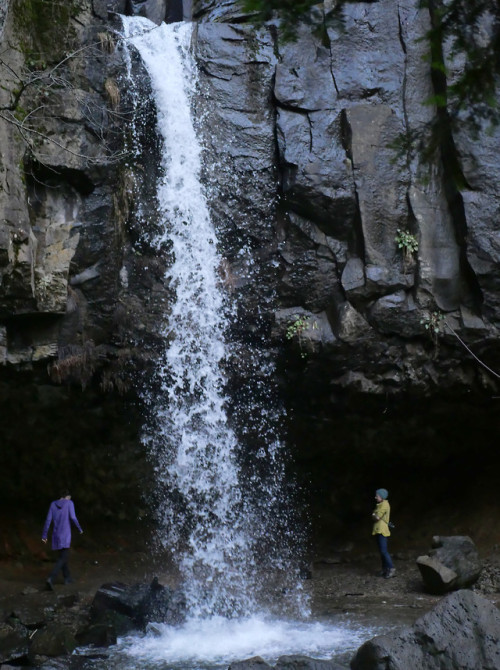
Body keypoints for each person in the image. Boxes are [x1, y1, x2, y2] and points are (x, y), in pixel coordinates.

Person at [42, 490, 83, 590]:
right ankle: (51, 578)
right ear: (67, 496)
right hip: (65, 535)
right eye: (70, 497)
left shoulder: (53, 504)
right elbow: (73, 517)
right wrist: (79, 528)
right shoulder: (69, 503)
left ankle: (67, 578)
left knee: (63, 556)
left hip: (56, 535)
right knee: (63, 557)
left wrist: (44, 535)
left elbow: (48, 520)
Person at [372, 488, 395, 579]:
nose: (375, 497)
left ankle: (391, 568)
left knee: (384, 551)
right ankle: (385, 568)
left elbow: (376, 517)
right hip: (378, 530)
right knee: (382, 551)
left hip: (382, 530)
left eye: (377, 496)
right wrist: (374, 515)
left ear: (381, 496)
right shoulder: (380, 504)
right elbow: (375, 515)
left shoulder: (384, 505)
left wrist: (374, 515)